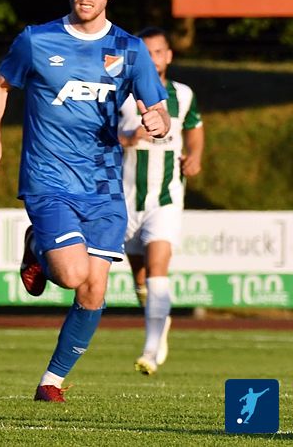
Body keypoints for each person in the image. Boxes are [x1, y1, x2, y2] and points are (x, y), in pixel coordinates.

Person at [0, 0, 171, 403]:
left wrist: (157, 121)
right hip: (49, 179)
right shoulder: (36, 40)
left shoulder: (130, 49)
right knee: (71, 274)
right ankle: (38, 247)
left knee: (94, 290)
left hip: (104, 186)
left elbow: (157, 109)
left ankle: (52, 381)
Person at [119, 27, 204, 376]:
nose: (152, 59)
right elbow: (99, 133)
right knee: (140, 279)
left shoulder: (182, 95)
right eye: (145, 53)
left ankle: (151, 350)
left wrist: (195, 156)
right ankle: (159, 318)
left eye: (158, 52)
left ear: (168, 56)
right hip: (125, 200)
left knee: (157, 271)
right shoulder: (120, 93)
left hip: (166, 198)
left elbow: (194, 128)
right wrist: (128, 136)